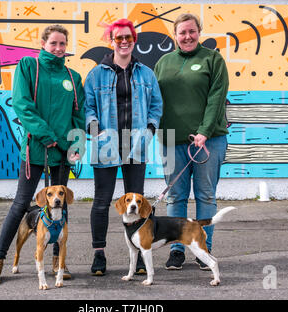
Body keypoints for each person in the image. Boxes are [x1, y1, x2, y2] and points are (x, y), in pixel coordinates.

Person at [0, 25, 85, 284]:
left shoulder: (73, 77)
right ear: (43, 44)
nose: (58, 48)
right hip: (35, 150)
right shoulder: (28, 67)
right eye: (53, 43)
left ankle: (57, 261)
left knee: (60, 207)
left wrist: (77, 144)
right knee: (21, 204)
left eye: (63, 44)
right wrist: (46, 135)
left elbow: (78, 115)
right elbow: (22, 105)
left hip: (61, 153)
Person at [84, 19, 163, 276]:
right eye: (119, 38)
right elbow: (88, 108)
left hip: (136, 142)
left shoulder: (146, 73)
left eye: (128, 37)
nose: (124, 41)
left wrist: (150, 130)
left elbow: (156, 106)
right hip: (106, 143)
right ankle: (99, 254)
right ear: (112, 41)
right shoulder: (96, 74)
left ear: (134, 40)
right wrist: (96, 129)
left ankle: (140, 255)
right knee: (102, 201)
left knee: (137, 203)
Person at [154, 13, 229, 271]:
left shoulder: (213, 59)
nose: (187, 36)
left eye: (191, 31)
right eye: (182, 32)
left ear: (199, 32)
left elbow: (217, 98)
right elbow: (154, 99)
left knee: (205, 194)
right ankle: (176, 249)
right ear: (175, 35)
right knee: (175, 196)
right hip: (171, 140)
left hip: (208, 141)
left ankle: (203, 249)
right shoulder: (163, 62)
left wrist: (204, 131)